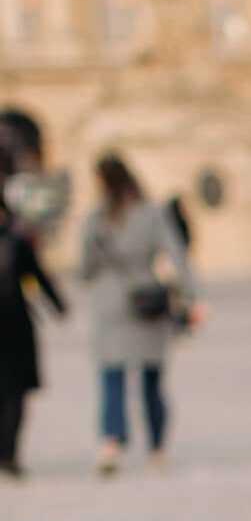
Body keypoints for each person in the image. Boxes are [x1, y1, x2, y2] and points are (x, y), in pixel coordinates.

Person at [79, 154, 196, 476]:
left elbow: (85, 268)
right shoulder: (153, 214)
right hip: (147, 301)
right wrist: (190, 296)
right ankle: (157, 447)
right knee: (152, 381)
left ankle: (111, 442)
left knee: (112, 378)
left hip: (109, 303)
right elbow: (177, 255)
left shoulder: (95, 220)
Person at [0, 173, 66, 476]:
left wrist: (56, 304)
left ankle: (8, 452)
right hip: (16, 324)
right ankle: (8, 453)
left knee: (13, 395)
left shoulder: (18, 243)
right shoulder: (17, 242)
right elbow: (38, 277)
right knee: (14, 394)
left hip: (15, 327)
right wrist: (57, 306)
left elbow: (37, 277)